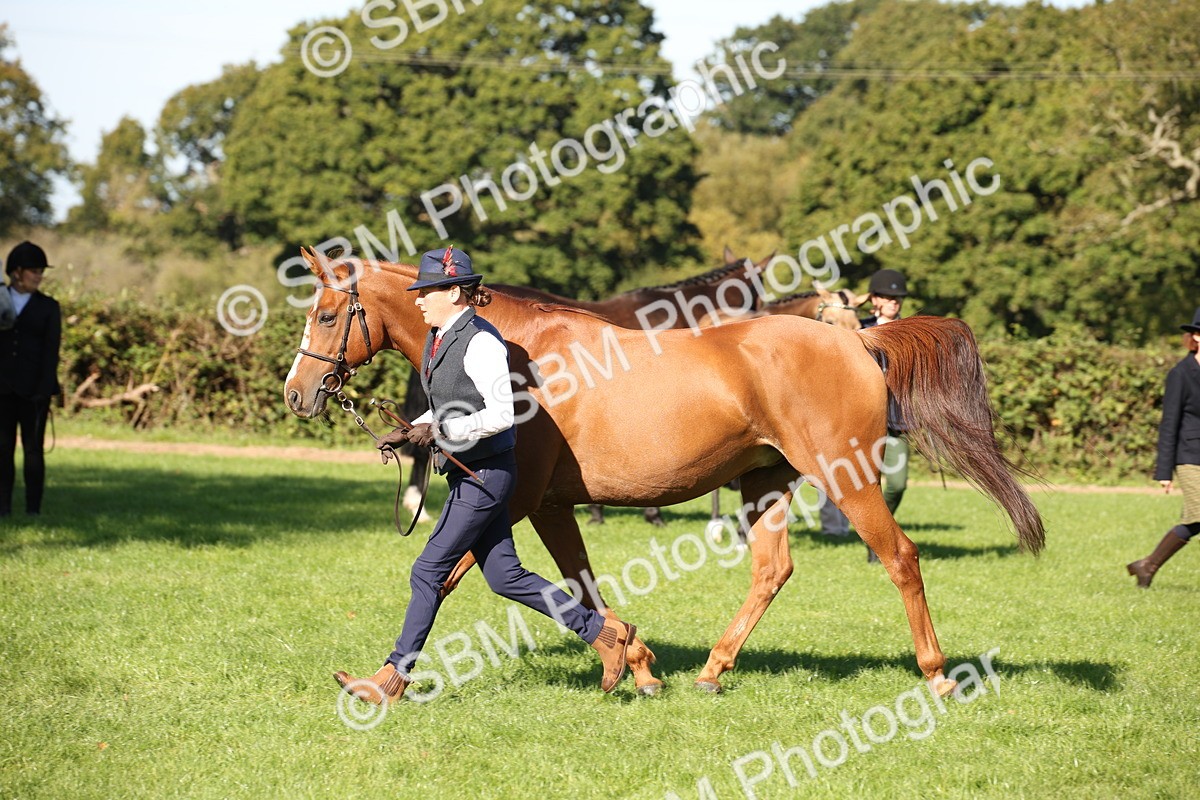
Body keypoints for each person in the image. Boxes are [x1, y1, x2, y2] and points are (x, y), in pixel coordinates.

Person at [334, 247, 637, 704]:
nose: (418, 300)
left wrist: (441, 428)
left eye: (427, 292)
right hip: (469, 472)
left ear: (454, 292)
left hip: (487, 474)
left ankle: (393, 678)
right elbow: (459, 398)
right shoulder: (439, 338)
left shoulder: (482, 341)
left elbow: (501, 413)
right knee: (505, 577)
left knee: (428, 569)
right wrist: (415, 429)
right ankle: (604, 634)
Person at [1127, 308, 1200, 588]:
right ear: (1195, 337)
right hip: (1190, 456)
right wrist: (1164, 470)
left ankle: (1147, 565)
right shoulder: (1180, 374)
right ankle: (1149, 564)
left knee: (1196, 520)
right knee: (1198, 514)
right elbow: (1170, 423)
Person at [1, 241, 62, 518]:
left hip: (34, 391)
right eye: (33, 271)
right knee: (2, 450)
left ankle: (33, 509)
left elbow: (51, 352)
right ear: (17, 272)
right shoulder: (1, 301)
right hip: (2, 389)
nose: (39, 276)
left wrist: (44, 389)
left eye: (40, 271)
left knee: (33, 451)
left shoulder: (49, 307)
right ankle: (3, 508)